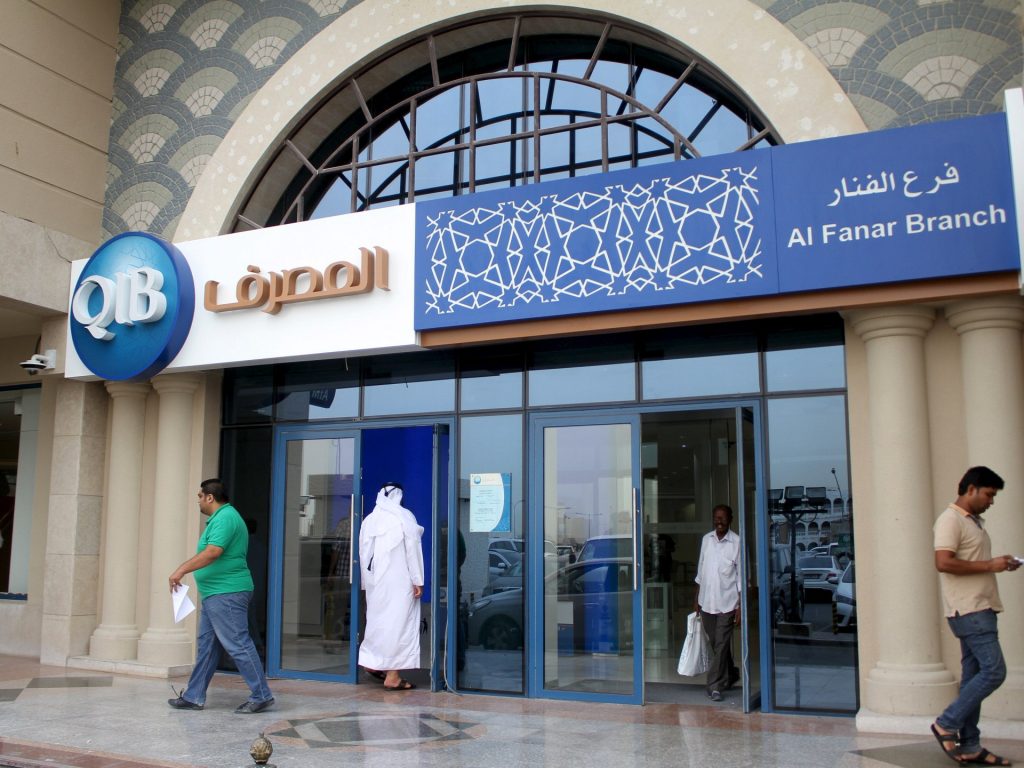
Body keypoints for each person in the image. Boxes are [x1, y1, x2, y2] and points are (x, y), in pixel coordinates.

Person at [931, 466, 1020, 765]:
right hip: (969, 610)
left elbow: (971, 562)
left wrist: (999, 563)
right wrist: (990, 565)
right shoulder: (950, 520)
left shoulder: (973, 522)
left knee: (973, 678)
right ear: (971, 489)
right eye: (989, 495)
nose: (991, 501)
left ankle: (970, 745)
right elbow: (943, 562)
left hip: (981, 608)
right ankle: (946, 723)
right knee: (994, 672)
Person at [167, 479, 275, 713]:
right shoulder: (220, 518)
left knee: (238, 643)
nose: (198, 501)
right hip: (215, 594)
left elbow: (213, 552)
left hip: (227, 593)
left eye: (200, 496)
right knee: (207, 646)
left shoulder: (225, 517)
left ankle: (261, 695)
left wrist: (181, 570)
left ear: (209, 497)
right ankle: (194, 696)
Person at [358, 482, 424, 690]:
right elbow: (413, 549)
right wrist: (418, 579)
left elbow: (363, 554)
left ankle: (372, 663)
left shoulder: (370, 520)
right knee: (398, 625)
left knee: (377, 622)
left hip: (376, 582)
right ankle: (393, 676)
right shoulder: (404, 516)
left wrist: (366, 583)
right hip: (400, 581)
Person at [694, 503, 741, 701]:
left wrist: (740, 607)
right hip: (707, 602)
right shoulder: (707, 540)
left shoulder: (737, 543)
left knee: (721, 644)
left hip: (728, 604)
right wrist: (696, 599)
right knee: (716, 643)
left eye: (723, 517)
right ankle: (731, 673)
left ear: (730, 519)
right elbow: (701, 571)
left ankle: (714, 685)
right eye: (716, 517)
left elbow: (741, 577)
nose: (719, 521)